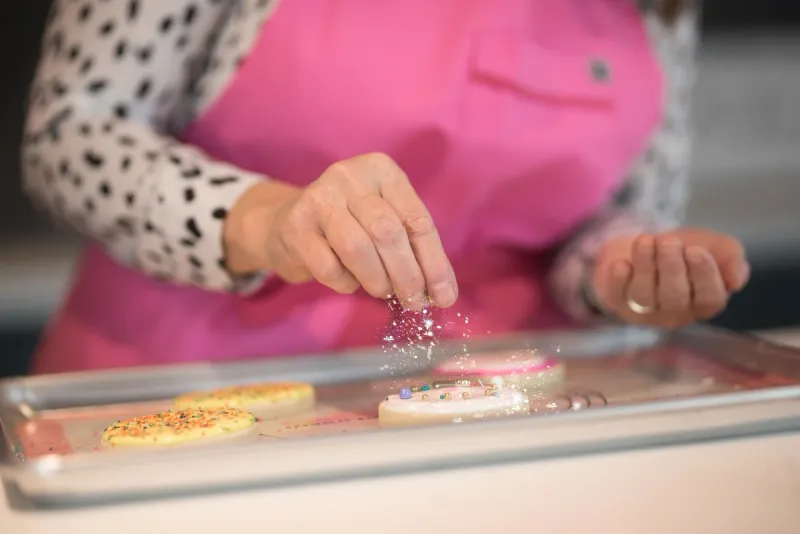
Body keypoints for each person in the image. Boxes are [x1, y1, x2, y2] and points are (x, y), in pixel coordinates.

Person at [21, 0, 750, 374]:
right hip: (187, 396)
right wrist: (270, 220)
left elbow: (625, 211)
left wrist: (619, 270)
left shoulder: (661, 8)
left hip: (497, 424)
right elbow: (70, 133)